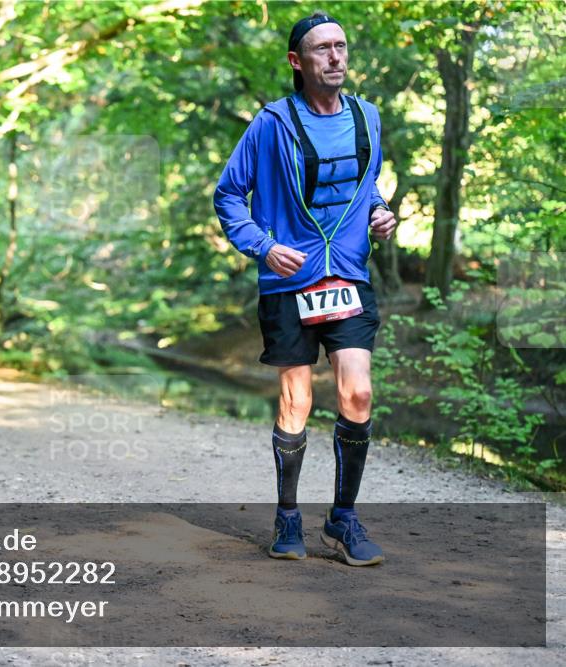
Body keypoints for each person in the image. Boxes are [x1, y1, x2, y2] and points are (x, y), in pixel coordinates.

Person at [213, 12, 398, 566]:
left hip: (348, 276)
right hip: (289, 279)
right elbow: (228, 195)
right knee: (297, 400)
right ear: (298, 61)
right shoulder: (271, 124)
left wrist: (380, 212)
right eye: (322, 49)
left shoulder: (367, 117)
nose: (336, 57)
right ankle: (288, 515)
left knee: (357, 393)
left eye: (341, 46)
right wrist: (263, 246)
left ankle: (343, 519)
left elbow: (366, 186)